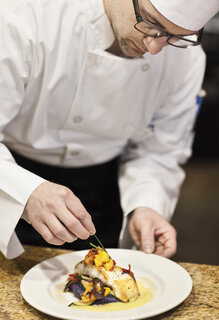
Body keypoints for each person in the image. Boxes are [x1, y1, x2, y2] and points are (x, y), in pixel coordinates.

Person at [0, 0, 218, 260]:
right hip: (12, 181)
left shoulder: (187, 58)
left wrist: (146, 204)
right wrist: (23, 191)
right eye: (150, 22)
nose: (155, 47)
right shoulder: (23, 18)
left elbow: (160, 150)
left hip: (105, 191)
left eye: (175, 36)